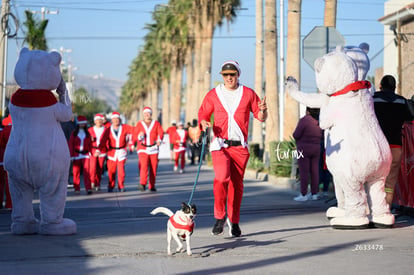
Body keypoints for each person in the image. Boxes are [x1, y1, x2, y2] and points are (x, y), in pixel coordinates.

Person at [198, 60, 267, 237]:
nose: (229, 78)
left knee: (236, 186)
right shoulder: (214, 94)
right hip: (219, 145)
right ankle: (220, 216)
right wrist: (204, 122)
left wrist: (263, 111)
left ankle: (234, 221)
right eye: (226, 75)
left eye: (232, 74)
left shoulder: (248, 93)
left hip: (240, 148)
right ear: (222, 76)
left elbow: (260, 116)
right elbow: (203, 113)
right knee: (221, 178)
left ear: (238, 75)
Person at [373, 75, 413, 208]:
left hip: (376, 145)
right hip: (395, 145)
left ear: (380, 86)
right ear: (395, 88)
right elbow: (410, 116)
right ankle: (386, 210)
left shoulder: (373, 99)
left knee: (373, 179)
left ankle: (373, 210)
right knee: (390, 181)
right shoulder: (401, 101)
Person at [292, 107, 323, 201]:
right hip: (316, 148)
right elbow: (323, 135)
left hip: (303, 149)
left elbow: (296, 134)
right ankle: (314, 194)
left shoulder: (304, 120)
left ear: (308, 111)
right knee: (315, 172)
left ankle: (303, 194)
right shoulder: (320, 121)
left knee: (304, 172)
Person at [135, 107, 164, 191]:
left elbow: (160, 133)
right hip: (143, 148)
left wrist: (159, 140)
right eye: (145, 113)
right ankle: (143, 183)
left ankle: (152, 185)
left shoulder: (156, 123)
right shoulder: (139, 124)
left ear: (151, 114)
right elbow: (136, 135)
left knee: (153, 167)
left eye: (148, 113)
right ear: (143, 115)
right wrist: (139, 135)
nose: (147, 115)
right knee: (143, 166)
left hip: (153, 148)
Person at [103, 111, 133, 192]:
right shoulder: (108, 129)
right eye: (114, 119)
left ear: (120, 119)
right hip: (111, 152)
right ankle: (111, 185)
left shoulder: (125, 127)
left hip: (121, 152)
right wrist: (100, 150)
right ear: (112, 120)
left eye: (117, 119)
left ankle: (121, 186)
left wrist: (140, 133)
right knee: (111, 171)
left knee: (121, 171)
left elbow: (135, 130)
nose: (116, 120)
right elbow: (103, 141)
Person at [69, 116, 94, 195]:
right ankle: (77, 189)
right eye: (81, 124)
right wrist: (71, 155)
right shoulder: (74, 133)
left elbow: (90, 144)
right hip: (76, 155)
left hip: (86, 155)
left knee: (87, 173)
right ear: (78, 124)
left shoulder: (87, 133)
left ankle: (88, 188)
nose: (82, 125)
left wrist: (91, 152)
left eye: (83, 124)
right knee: (76, 173)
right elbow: (71, 144)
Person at [88, 113, 107, 191]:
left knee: (100, 169)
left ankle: (97, 184)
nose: (98, 121)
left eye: (100, 120)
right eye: (97, 120)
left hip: (102, 151)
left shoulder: (105, 129)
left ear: (102, 121)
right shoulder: (90, 130)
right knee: (92, 168)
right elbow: (86, 141)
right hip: (93, 150)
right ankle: (92, 182)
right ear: (94, 121)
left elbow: (108, 140)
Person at [0, 115, 12, 209]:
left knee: (2, 181)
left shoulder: (5, 130)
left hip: (4, 157)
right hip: (18, 158)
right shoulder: (19, 129)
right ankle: (11, 204)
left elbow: (1, 143)